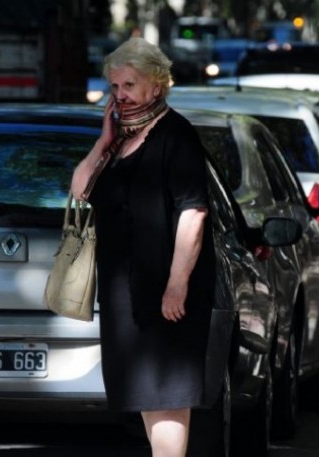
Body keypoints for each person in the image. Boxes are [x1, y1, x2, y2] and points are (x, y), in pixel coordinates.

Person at [70, 37, 215, 457]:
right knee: (146, 398)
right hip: (125, 294)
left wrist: (176, 284)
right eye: (115, 87)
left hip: (168, 292)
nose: (121, 96)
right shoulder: (118, 140)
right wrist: (103, 141)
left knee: (167, 398)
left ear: (157, 85)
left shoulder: (177, 135)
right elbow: (80, 191)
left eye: (129, 85)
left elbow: (194, 214)